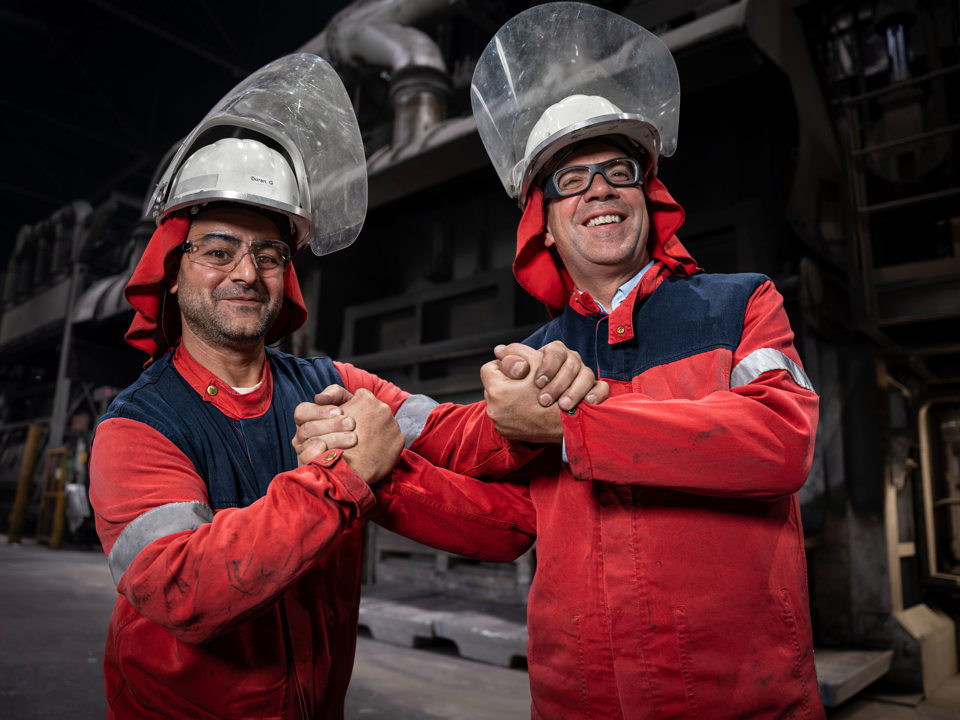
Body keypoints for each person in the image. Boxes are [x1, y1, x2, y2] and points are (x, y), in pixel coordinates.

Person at [88, 53, 603, 720]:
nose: (246, 273)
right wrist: (346, 476)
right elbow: (184, 589)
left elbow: (454, 439)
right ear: (172, 269)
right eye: (217, 251)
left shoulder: (334, 384)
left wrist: (521, 404)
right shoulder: (137, 426)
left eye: (269, 255)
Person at [407, 4, 824, 718]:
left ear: (646, 195)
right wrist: (378, 478)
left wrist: (575, 426)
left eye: (618, 172)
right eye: (570, 180)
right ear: (542, 223)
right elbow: (516, 524)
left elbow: (779, 442)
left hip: (739, 699)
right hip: (581, 700)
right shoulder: (533, 359)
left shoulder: (739, 306)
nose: (599, 189)